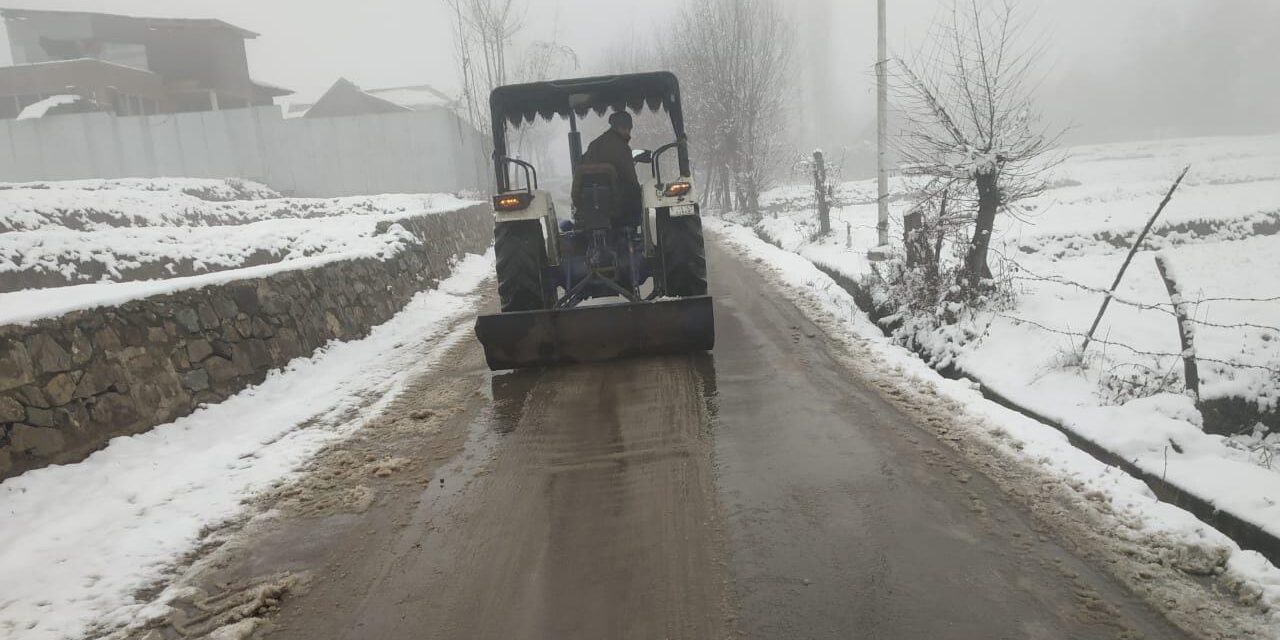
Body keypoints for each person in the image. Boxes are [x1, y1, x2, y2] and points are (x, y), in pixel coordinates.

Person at [576, 111, 642, 223]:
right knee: (635, 194)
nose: (629, 133)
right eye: (628, 129)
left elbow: (581, 168)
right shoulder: (623, 149)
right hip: (617, 207)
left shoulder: (594, 145)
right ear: (623, 128)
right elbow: (631, 179)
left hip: (589, 203)